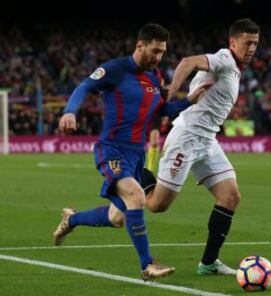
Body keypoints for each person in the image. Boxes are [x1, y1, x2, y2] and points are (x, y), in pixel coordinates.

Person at [53, 23, 208, 281]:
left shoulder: (154, 77)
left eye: (162, 52)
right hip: (111, 149)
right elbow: (84, 86)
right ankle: (147, 266)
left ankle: (72, 220)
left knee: (116, 218)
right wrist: (70, 111)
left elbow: (162, 112)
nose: (159, 57)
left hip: (136, 154)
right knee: (137, 197)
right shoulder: (116, 69)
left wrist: (189, 100)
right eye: (155, 51)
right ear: (140, 46)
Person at [144, 18, 260, 275]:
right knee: (156, 205)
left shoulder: (236, 67)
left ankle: (208, 263)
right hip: (186, 138)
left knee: (230, 197)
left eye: (255, 44)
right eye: (247, 42)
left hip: (207, 141)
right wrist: (171, 93)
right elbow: (188, 61)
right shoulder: (225, 59)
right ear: (233, 42)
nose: (251, 48)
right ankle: (131, 175)